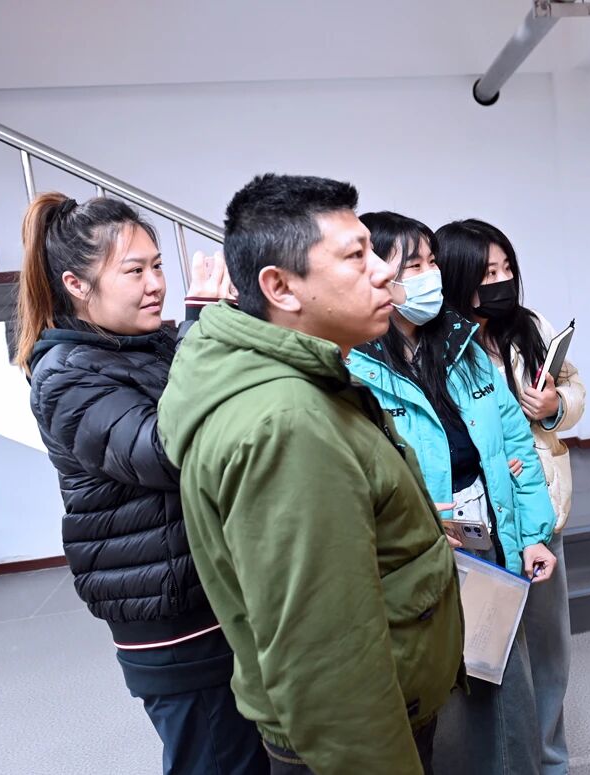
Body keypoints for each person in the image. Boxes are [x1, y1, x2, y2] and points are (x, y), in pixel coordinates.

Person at [157, 175, 464, 775]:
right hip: (354, 736)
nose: (385, 272)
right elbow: (328, 658)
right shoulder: (287, 423)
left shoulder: (297, 382)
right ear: (280, 287)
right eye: (356, 256)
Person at [16, 193, 268, 775]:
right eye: (134, 271)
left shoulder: (145, 346)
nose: (156, 283)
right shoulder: (65, 375)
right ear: (77, 285)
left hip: (205, 593)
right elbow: (166, 451)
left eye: (157, 265)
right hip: (170, 618)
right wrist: (203, 331)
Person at [345, 211, 557, 775]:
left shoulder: (461, 345)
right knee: (442, 697)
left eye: (431, 262)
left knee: (506, 689)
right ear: (375, 274)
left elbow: (514, 442)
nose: (430, 275)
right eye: (413, 265)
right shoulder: (355, 366)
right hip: (421, 556)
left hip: (489, 539)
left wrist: (534, 534)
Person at [435, 218, 585, 774]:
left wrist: (555, 407)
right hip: (483, 526)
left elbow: (574, 387)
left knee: (549, 653)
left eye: (505, 270)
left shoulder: (530, 325)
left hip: (543, 510)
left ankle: (551, 762)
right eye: (486, 273)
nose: (500, 282)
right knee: (490, 658)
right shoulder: (441, 345)